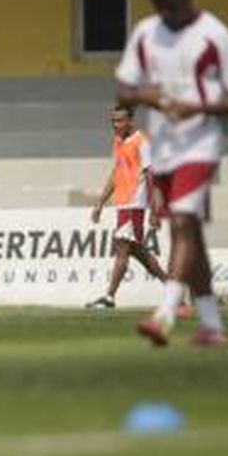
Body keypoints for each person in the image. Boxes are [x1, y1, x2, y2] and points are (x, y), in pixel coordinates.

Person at [116, 0, 228, 346]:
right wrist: (151, 98)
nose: (166, 11)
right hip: (165, 147)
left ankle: (165, 315)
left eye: (171, 1)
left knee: (183, 222)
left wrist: (198, 107)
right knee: (191, 235)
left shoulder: (213, 34)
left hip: (201, 144)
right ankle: (212, 327)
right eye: (158, 4)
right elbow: (124, 89)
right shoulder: (145, 34)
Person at [87, 105, 169, 309]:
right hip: (123, 203)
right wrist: (100, 203)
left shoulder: (142, 142)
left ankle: (109, 297)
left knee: (122, 246)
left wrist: (153, 209)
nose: (116, 124)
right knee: (138, 251)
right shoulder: (118, 142)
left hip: (135, 203)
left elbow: (151, 176)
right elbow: (116, 173)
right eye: (113, 121)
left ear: (131, 121)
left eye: (120, 120)